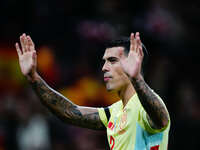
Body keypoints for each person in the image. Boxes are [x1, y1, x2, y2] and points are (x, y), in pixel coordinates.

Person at [15, 32, 170, 150]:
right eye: (104, 61)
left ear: (135, 63)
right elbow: (68, 112)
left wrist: (137, 79)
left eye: (113, 61)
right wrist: (33, 77)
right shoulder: (114, 112)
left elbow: (161, 119)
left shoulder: (146, 106)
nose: (104, 68)